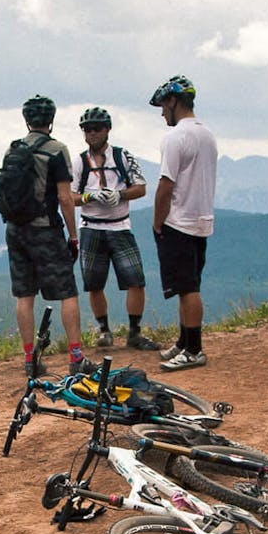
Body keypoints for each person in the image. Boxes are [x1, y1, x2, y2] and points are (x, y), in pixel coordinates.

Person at [0, 94, 91, 376]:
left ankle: (30, 360)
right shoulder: (56, 150)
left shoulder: (12, 149)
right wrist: (73, 237)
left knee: (24, 296)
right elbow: (65, 198)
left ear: (26, 120)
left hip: (15, 230)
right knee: (67, 293)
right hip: (45, 230)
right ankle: (76, 358)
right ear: (51, 119)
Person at [70, 107, 158, 352]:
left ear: (107, 129)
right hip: (91, 227)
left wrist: (119, 195)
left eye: (97, 129)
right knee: (94, 283)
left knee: (135, 280)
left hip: (120, 226)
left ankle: (134, 332)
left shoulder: (122, 157)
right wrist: (90, 196)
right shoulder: (78, 162)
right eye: (87, 130)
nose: (92, 134)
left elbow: (140, 187)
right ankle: (103, 330)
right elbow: (69, 195)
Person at [149, 76, 217, 371]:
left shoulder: (175, 137)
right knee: (187, 284)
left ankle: (194, 350)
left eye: (164, 105)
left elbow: (166, 185)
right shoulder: (207, 135)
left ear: (173, 101)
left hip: (179, 221)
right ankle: (183, 340)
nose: (162, 112)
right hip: (201, 220)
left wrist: (157, 222)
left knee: (187, 288)